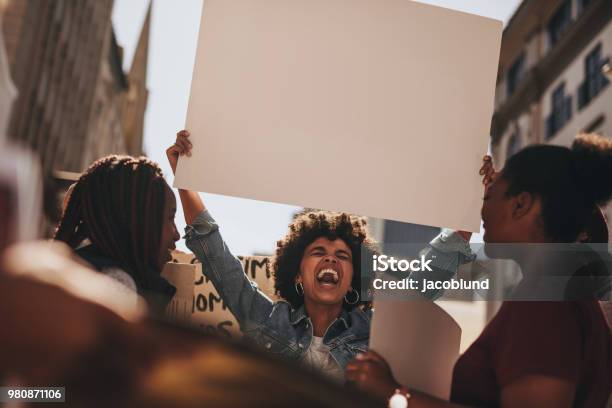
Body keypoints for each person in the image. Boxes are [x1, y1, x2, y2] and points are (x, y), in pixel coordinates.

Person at [166, 130, 477, 382]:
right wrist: (186, 175)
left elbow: (428, 276)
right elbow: (218, 259)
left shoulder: (375, 331)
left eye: (342, 256)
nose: (331, 260)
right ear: (298, 273)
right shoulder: (269, 321)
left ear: (354, 277)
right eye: (319, 252)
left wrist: (474, 195)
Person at [347, 133, 612, 407]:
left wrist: (395, 394)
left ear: (521, 204)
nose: (481, 208)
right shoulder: (569, 298)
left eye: (489, 196)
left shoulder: (545, 303)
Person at [54, 155, 180, 316]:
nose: (177, 234)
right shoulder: (116, 285)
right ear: (137, 220)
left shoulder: (77, 268)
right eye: (171, 217)